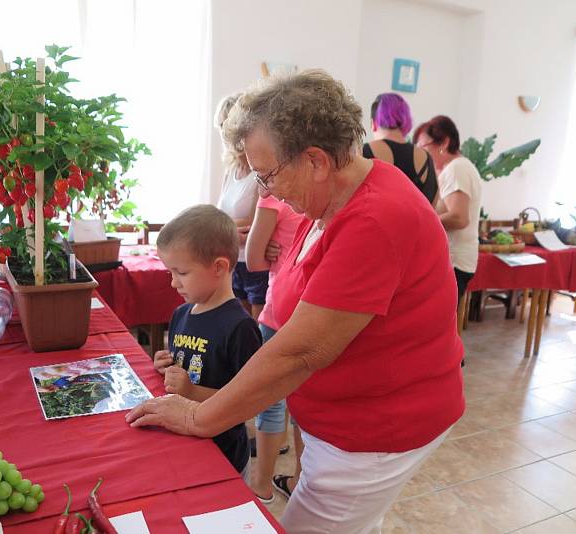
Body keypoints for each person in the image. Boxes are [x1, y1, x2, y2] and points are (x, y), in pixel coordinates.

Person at [128, 70, 464, 534]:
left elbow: (302, 349)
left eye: (267, 175)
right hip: (342, 420)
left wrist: (199, 417)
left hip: (377, 428)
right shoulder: (329, 202)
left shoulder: (374, 219)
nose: (267, 192)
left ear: (316, 161)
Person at [152, 204, 263, 476]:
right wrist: (167, 364)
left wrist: (191, 392)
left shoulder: (241, 327)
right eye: (170, 273)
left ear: (219, 267)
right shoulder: (181, 314)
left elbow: (245, 404)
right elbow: (188, 367)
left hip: (223, 456)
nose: (173, 283)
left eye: (182, 273)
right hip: (185, 445)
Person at [244, 190, 304, 503]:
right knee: (303, 402)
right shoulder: (329, 195)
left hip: (280, 307)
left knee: (271, 399)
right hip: (314, 308)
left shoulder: (275, 197)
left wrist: (269, 249)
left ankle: (262, 485)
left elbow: (253, 260)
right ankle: (297, 480)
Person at [414, 115, 482, 300]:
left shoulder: (456, 168)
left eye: (423, 148)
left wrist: (420, 223)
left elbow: (459, 217)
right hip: (455, 260)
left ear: (444, 142)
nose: (421, 154)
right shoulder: (456, 167)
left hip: (455, 261)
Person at [215, 94, 269, 320]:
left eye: (230, 125)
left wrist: (218, 228)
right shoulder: (231, 170)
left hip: (255, 263)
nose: (226, 135)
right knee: (238, 327)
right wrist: (223, 228)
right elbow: (219, 218)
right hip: (233, 261)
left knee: (257, 334)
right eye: (222, 126)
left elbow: (252, 221)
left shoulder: (261, 170)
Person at [362, 93, 438, 205]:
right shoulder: (426, 158)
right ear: (406, 120)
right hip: (416, 222)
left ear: (373, 124)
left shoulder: (364, 151)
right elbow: (432, 206)